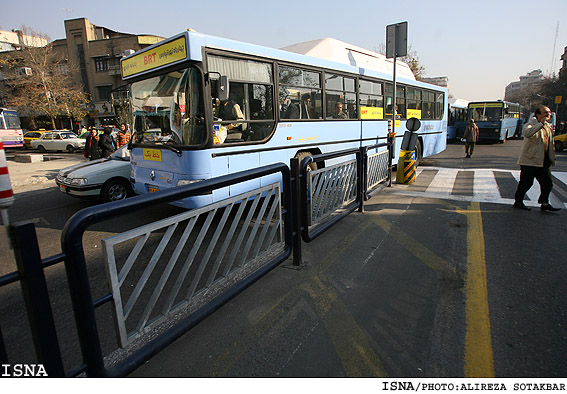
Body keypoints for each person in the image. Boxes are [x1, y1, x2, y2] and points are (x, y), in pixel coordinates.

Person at [513, 105, 560, 211]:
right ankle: (518, 201)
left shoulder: (547, 126)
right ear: (538, 115)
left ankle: (544, 203)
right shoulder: (530, 125)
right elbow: (527, 133)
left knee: (547, 183)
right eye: (545, 113)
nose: (548, 115)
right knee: (526, 183)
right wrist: (540, 124)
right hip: (530, 160)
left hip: (544, 161)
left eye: (549, 113)